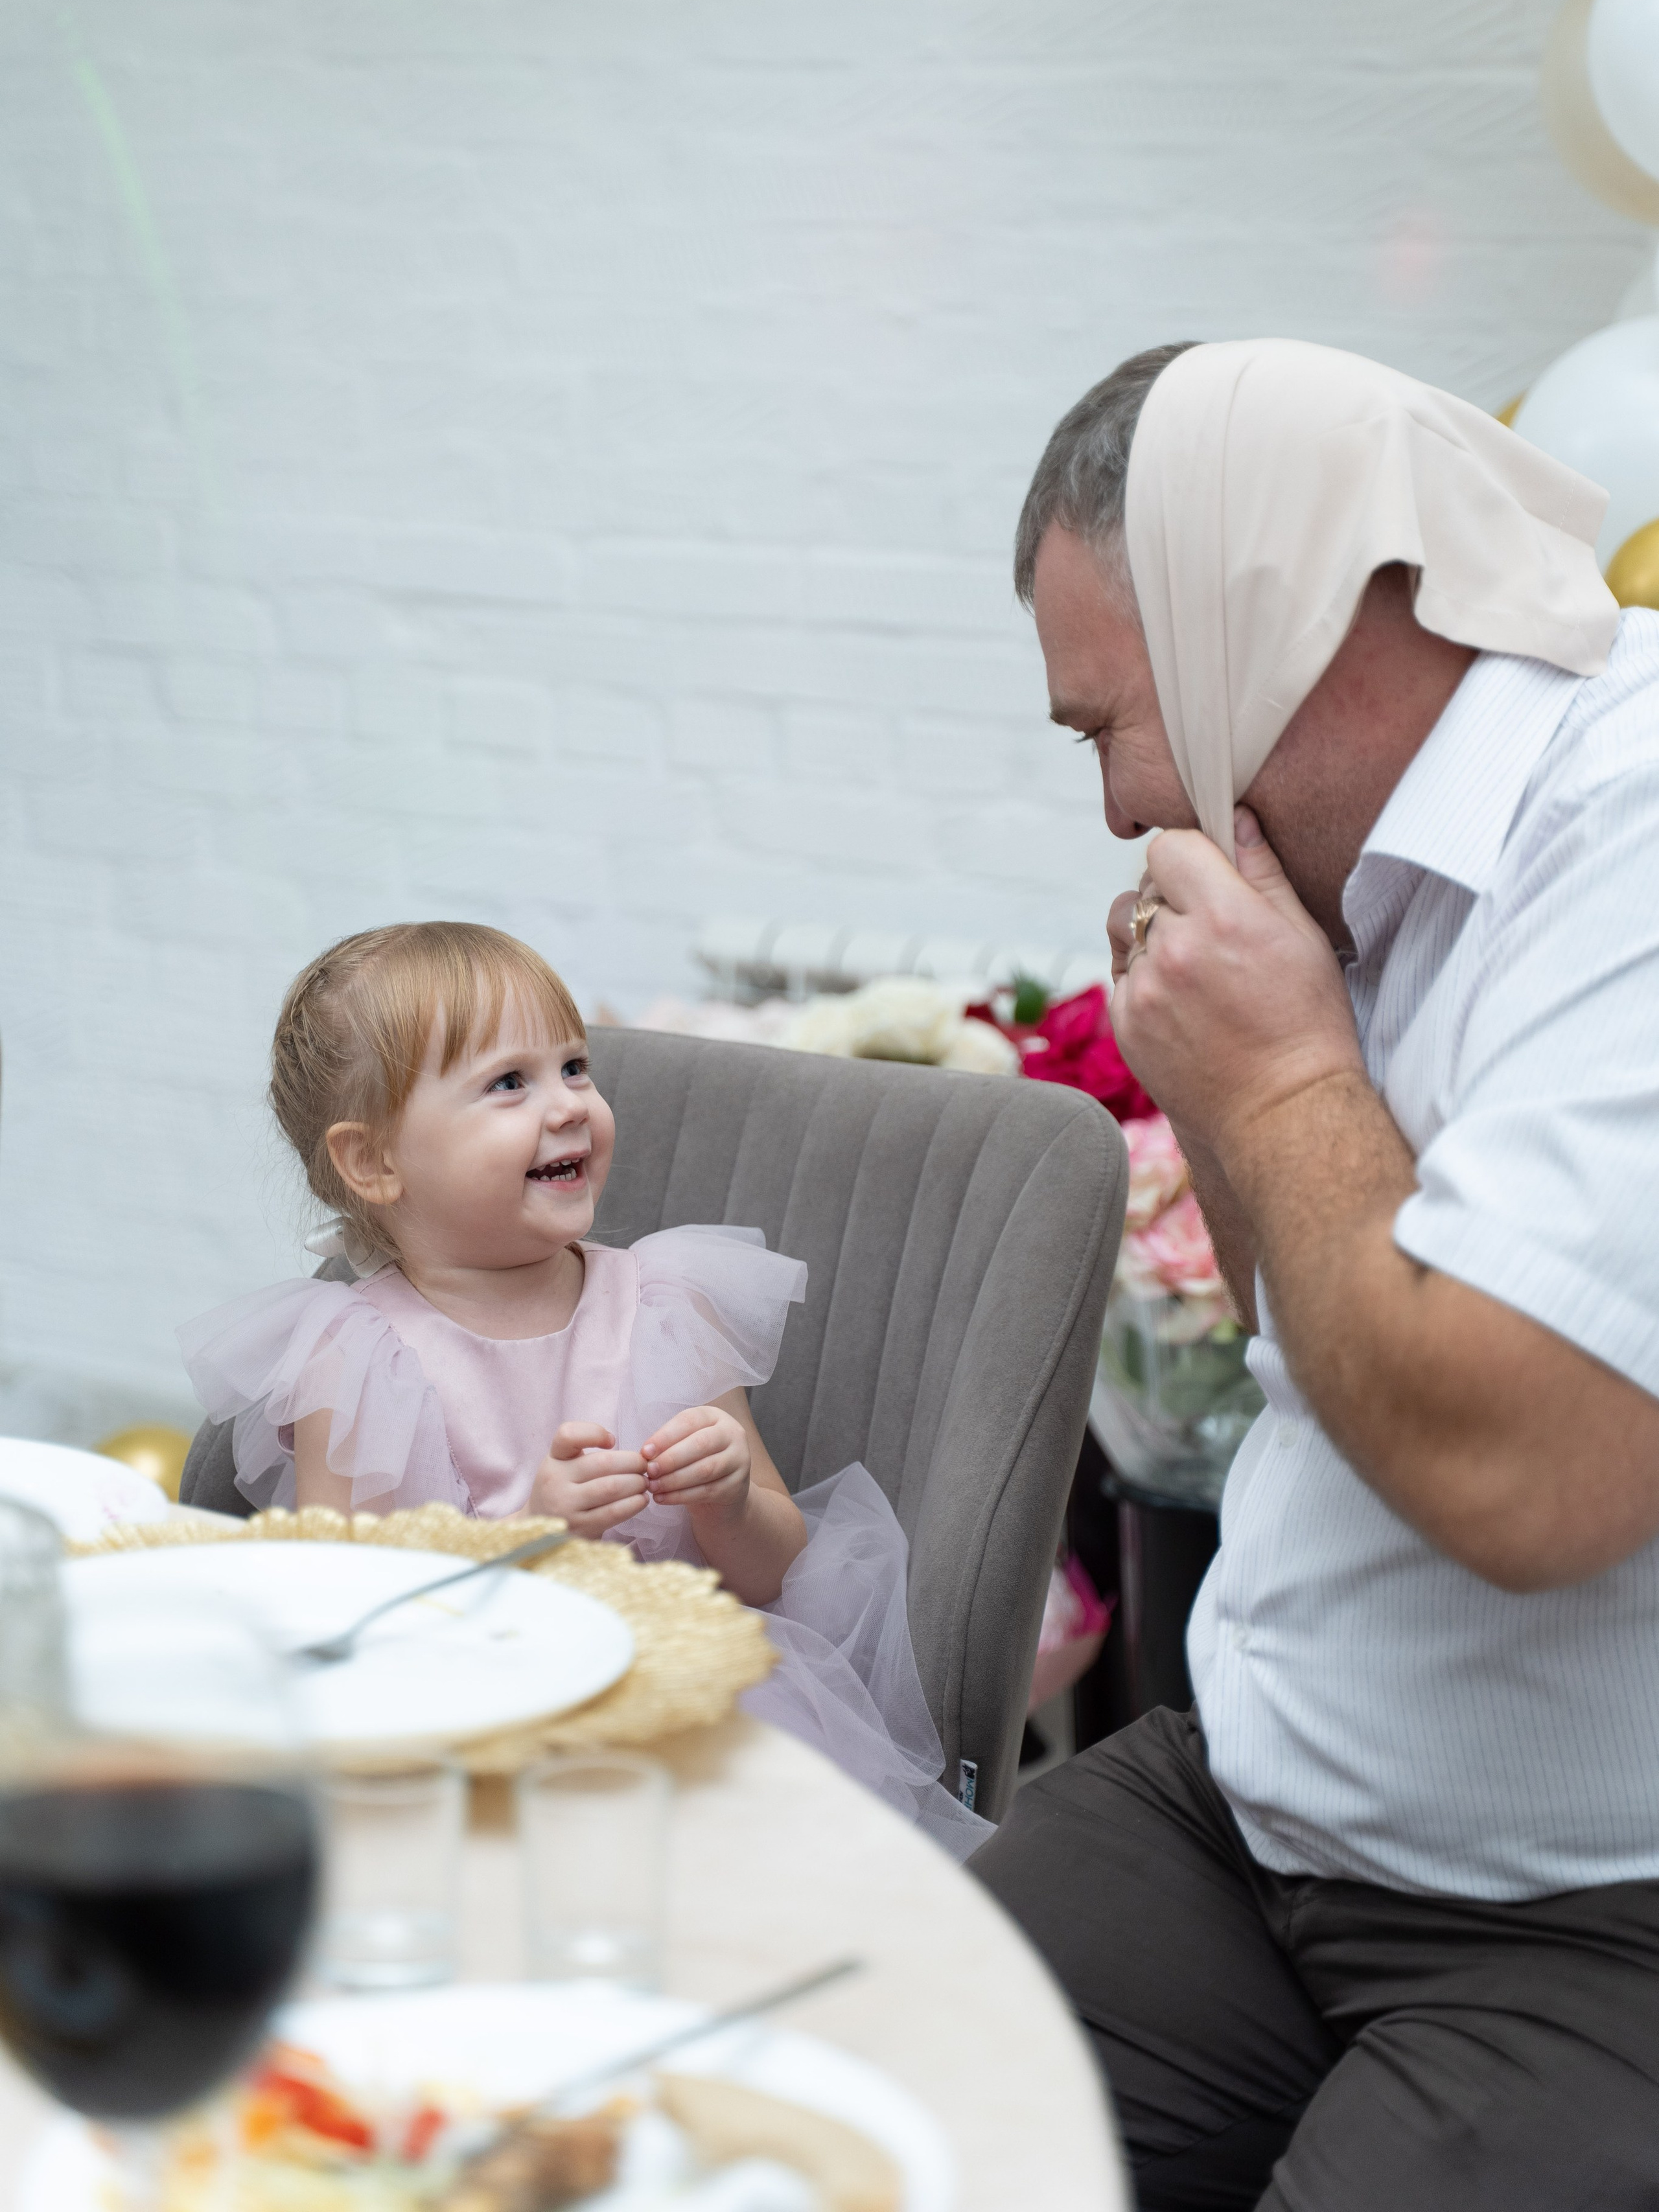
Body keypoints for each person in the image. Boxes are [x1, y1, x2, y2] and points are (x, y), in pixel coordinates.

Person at [969, 338, 1659, 2207]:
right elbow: (1306, 1330)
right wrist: (1250, 1064)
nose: (1118, 806)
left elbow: (1525, 1472)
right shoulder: (1345, 880)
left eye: (1109, 719)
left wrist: (1277, 1075)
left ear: (1257, 624)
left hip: (1588, 1919)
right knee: (837, 2118)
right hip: (1251, 1804)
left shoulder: (1633, 837)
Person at [180, 919, 987, 1860]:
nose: (567, 1106)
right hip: (474, 1733)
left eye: (574, 1067)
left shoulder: (664, 1306)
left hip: (684, 1707)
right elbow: (344, 1622)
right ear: (376, 1162)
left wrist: (729, 1501)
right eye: (508, 1084)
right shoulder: (358, 1359)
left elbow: (774, 1576)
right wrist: (535, 1540)